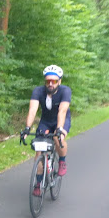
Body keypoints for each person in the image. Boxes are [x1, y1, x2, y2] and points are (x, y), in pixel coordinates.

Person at [21, 65, 71, 196]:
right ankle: (38, 184)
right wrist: (27, 128)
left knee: (58, 138)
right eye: (48, 81)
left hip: (62, 120)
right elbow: (32, 110)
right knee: (39, 150)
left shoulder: (65, 91)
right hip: (46, 121)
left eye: (54, 81)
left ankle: (62, 161)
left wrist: (59, 129)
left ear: (59, 81)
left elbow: (62, 111)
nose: (50, 84)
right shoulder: (38, 91)